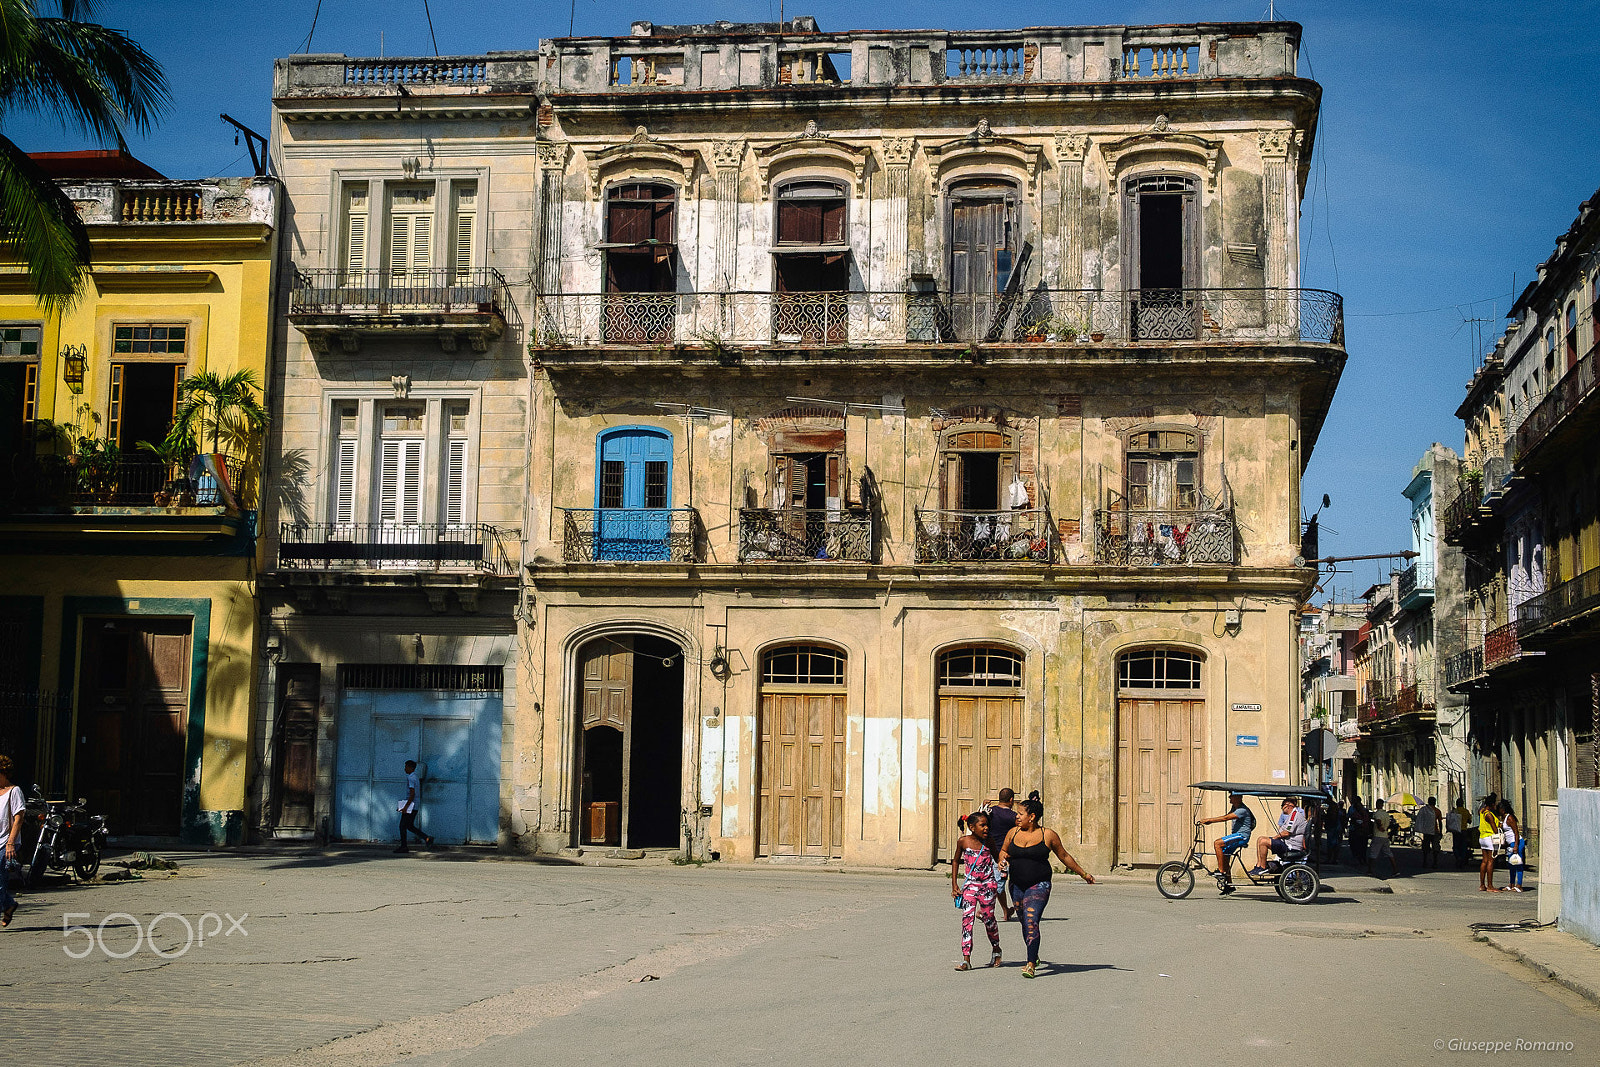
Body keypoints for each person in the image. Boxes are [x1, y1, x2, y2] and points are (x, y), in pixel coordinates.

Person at [998, 798, 1095, 978]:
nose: (1017, 817)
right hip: (1016, 885)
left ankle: (1030, 964)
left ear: (1032, 817)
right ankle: (1033, 954)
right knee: (1024, 922)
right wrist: (1002, 861)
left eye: (1020, 814)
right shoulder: (1012, 833)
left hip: (1039, 884)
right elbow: (1003, 851)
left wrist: (1084, 874)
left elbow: (1064, 856)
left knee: (1031, 919)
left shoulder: (1048, 835)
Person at [950, 810, 1003, 970]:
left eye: (987, 825)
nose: (986, 828)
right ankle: (966, 958)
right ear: (972, 827)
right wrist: (954, 884)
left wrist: (1003, 863)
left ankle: (996, 948)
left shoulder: (989, 842)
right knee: (967, 920)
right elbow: (955, 861)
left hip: (988, 885)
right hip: (970, 885)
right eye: (982, 825)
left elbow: (998, 858)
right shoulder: (963, 842)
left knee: (988, 918)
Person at [1197, 792, 1255, 892]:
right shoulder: (1235, 808)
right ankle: (1229, 885)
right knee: (1224, 856)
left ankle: (1221, 871)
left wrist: (1209, 820)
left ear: (1238, 797)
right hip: (1237, 835)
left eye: (1231, 795)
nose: (1229, 797)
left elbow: (1225, 818)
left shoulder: (1242, 810)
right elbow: (1226, 816)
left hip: (1242, 836)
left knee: (1217, 843)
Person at [1248, 797, 1306, 877]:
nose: (1282, 809)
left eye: (1282, 806)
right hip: (1286, 843)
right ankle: (1259, 866)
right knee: (1260, 839)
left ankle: (1263, 867)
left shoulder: (1294, 815)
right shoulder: (1291, 815)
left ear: (1288, 805)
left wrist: (1274, 838)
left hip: (1291, 846)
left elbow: (1287, 832)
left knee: (1263, 842)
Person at [985, 788, 1019, 921]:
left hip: (991, 853)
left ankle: (1006, 911)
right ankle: (983, 910)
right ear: (1011, 800)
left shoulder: (990, 812)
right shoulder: (1014, 817)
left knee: (998, 882)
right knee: (999, 884)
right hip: (1004, 856)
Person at [0, 755, 24, 928]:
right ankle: (9, 904)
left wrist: (10, 843)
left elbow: (19, 818)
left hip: (5, 842)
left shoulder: (14, 791)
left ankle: (7, 904)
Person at [394, 759, 434, 853]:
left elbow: (412, 794)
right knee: (409, 826)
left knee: (402, 826)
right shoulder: (415, 777)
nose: (405, 769)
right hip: (414, 805)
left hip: (411, 806)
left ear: (410, 767)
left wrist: (405, 807)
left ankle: (404, 846)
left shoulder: (411, 778)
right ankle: (427, 838)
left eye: (406, 767)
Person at [1497, 801, 1525, 892]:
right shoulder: (1504, 818)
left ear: (1503, 809)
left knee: (1518, 864)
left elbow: (1516, 832)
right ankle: (1511, 883)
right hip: (1510, 844)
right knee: (1511, 864)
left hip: (1516, 843)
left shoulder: (1510, 818)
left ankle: (1519, 885)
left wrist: (1516, 846)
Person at [1367, 799, 1398, 877]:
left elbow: (1378, 820)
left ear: (1377, 804)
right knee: (1389, 853)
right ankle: (1395, 869)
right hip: (1385, 836)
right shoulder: (1386, 814)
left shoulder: (1377, 813)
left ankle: (1370, 870)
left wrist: (1380, 827)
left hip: (1378, 835)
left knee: (1373, 853)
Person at [1477, 797, 1501, 892]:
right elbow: (1494, 829)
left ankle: (1482, 885)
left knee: (1484, 861)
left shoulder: (1482, 812)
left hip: (1482, 837)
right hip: (1489, 838)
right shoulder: (1489, 815)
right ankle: (1490, 885)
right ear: (1491, 804)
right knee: (1491, 861)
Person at [1416, 796, 1442, 869]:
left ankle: (1425, 861)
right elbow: (1440, 822)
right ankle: (1435, 862)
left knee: (1425, 848)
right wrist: (1440, 831)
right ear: (1435, 802)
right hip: (1435, 831)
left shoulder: (1424, 810)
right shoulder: (1437, 811)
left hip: (1426, 832)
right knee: (1435, 847)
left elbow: (1420, 819)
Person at [1346, 797, 1372, 867]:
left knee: (1358, 846)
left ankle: (1360, 859)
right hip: (1361, 831)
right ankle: (1361, 859)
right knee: (1361, 846)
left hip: (1358, 831)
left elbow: (1349, 817)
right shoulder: (1363, 810)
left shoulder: (1355, 810)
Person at [1447, 797, 1469, 869]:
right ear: (1463, 804)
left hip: (1456, 831)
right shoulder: (1466, 811)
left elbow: (1450, 820)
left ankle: (1458, 857)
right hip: (1464, 830)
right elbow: (1470, 821)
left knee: (1456, 846)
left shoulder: (1454, 811)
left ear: (1456, 804)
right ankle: (1462, 859)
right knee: (1463, 846)